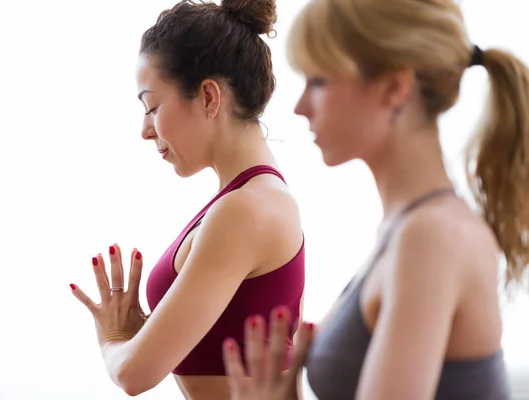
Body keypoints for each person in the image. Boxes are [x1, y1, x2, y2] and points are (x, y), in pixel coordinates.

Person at [222, 0, 529, 399]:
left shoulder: (432, 237)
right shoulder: (411, 228)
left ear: (394, 85)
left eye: (318, 81)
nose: (299, 108)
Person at [69, 0, 305, 399]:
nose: (145, 130)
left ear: (209, 96)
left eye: (152, 107)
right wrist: (150, 332)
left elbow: (133, 374)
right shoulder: (246, 200)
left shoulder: (246, 210)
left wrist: (114, 339)